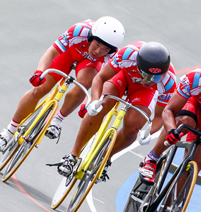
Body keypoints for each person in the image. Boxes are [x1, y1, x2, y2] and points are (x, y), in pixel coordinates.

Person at [0, 17, 125, 151]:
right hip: (69, 53)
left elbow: (103, 81)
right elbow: (52, 52)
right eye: (97, 44)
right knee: (39, 90)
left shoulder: (114, 56)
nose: (98, 52)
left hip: (89, 64)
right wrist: (39, 72)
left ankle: (58, 120)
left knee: (84, 83)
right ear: (91, 37)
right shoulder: (79, 31)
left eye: (105, 49)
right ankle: (8, 132)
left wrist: (91, 102)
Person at [56, 41, 177, 177]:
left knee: (133, 128)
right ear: (138, 65)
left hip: (143, 92)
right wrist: (95, 100)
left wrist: (148, 132)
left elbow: (160, 116)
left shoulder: (169, 81)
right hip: (123, 76)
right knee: (103, 104)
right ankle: (73, 155)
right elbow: (100, 77)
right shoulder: (128, 54)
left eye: (156, 77)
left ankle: (106, 158)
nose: (149, 80)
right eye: (146, 75)